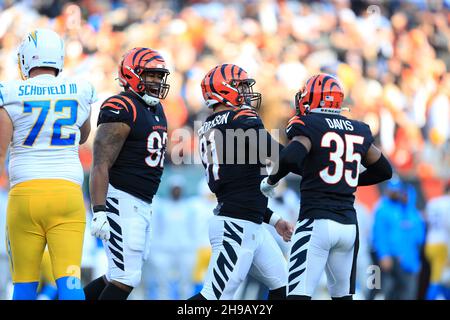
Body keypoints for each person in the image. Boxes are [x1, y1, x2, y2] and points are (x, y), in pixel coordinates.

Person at [260, 73, 392, 300]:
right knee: (343, 298)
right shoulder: (357, 128)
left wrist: (271, 180)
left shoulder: (310, 123)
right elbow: (384, 170)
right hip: (349, 227)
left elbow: (291, 156)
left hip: (316, 223)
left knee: (297, 296)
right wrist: (345, 179)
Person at [0, 28, 95, 300]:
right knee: (71, 283)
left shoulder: (9, 91)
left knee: (24, 285)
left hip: (25, 195)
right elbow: (83, 135)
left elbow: (0, 149)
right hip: (67, 193)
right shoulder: (81, 88)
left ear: (26, 58)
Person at [190, 63, 294, 300]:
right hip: (236, 226)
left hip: (249, 221)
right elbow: (275, 154)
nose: (246, 92)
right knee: (211, 299)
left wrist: (274, 219)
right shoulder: (239, 117)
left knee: (284, 288)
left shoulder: (209, 125)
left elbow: (242, 186)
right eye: (241, 86)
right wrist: (306, 156)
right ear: (223, 90)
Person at [84, 47, 170, 300]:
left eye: (158, 76)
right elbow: (100, 163)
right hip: (121, 198)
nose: (155, 81)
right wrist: (99, 210)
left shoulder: (155, 108)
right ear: (132, 74)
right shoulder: (121, 105)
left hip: (141, 201)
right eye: (150, 75)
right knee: (125, 278)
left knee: (115, 275)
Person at [372, 177, 426, 300]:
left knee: (409, 293)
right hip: (394, 260)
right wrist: (384, 254)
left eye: (398, 191)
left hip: (410, 260)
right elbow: (379, 235)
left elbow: (418, 237)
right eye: (393, 190)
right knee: (389, 291)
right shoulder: (382, 209)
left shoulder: (406, 209)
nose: (395, 193)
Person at [424, 181, 450, 299]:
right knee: (438, 279)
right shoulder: (447, 203)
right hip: (443, 244)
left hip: (430, 242)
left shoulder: (433, 202)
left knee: (443, 277)